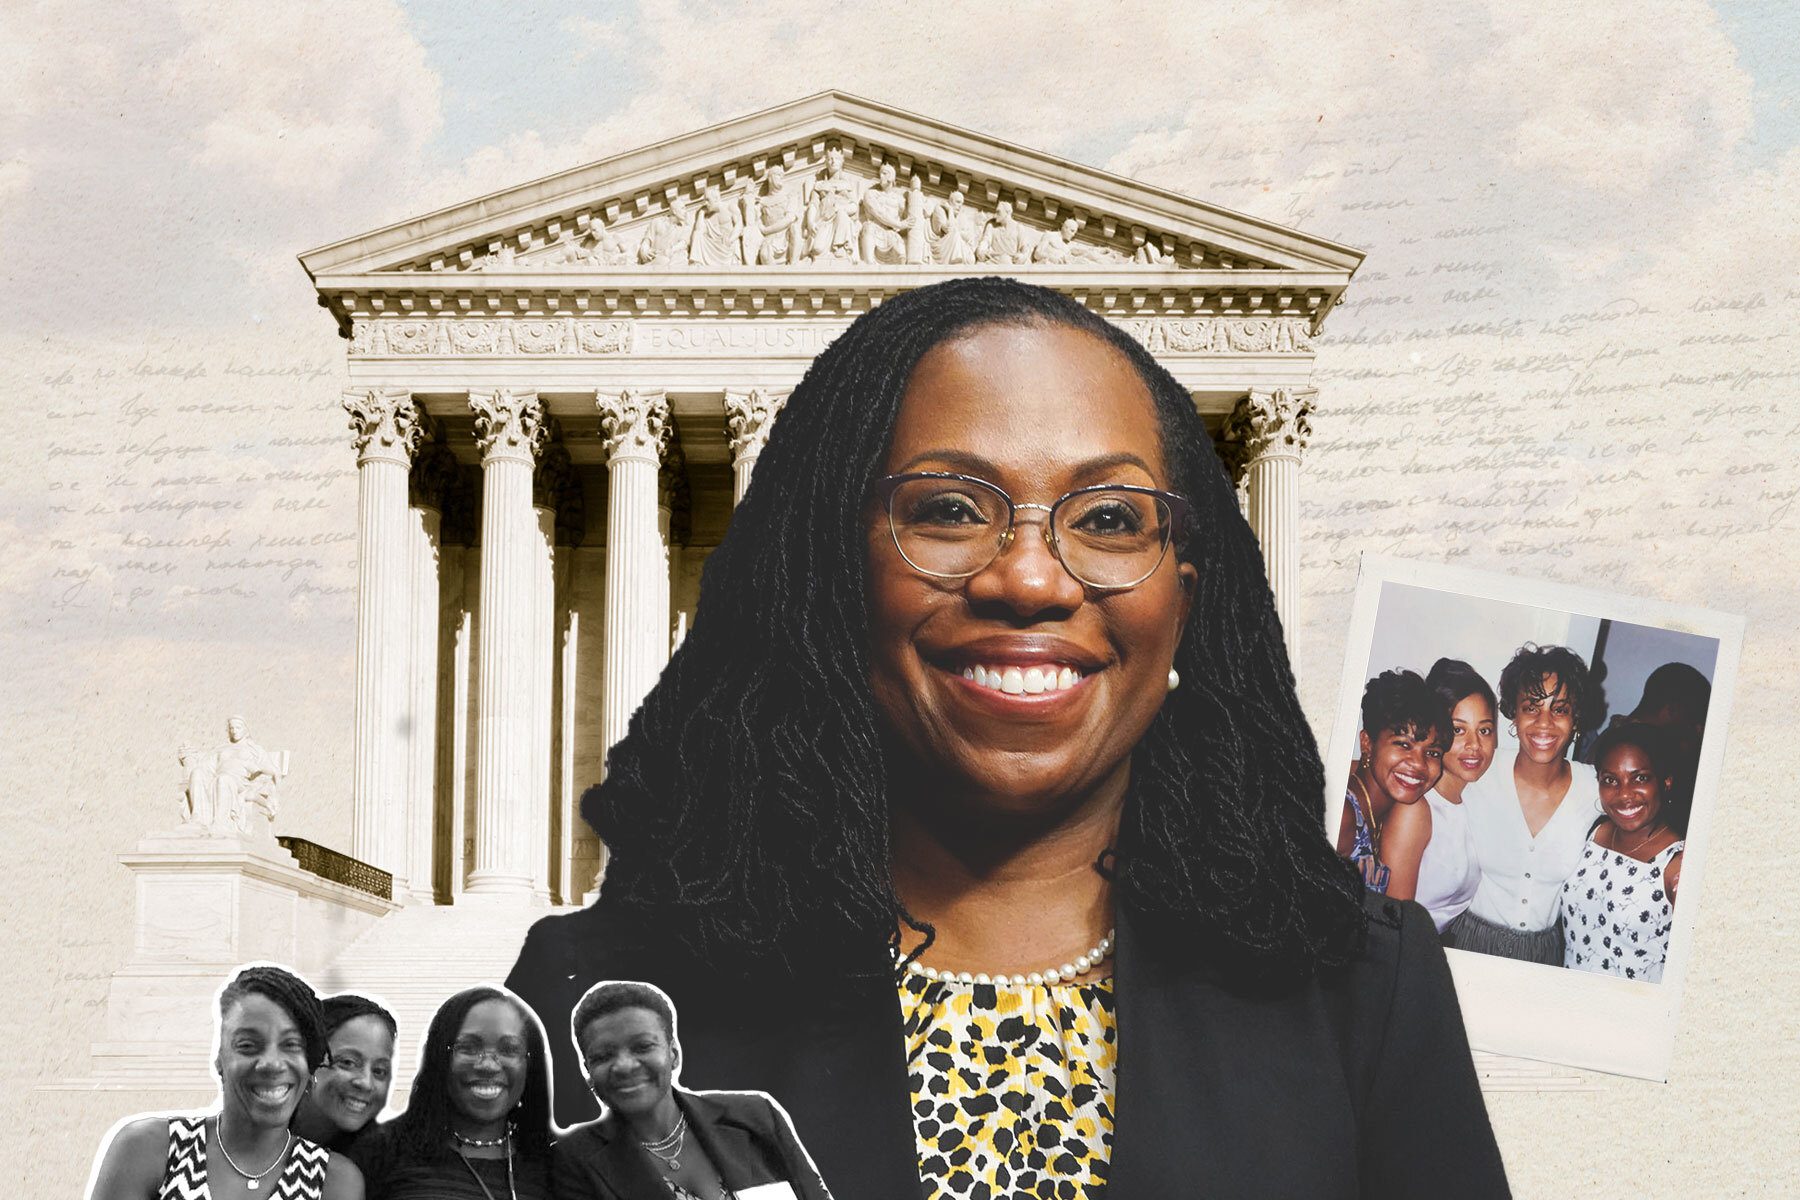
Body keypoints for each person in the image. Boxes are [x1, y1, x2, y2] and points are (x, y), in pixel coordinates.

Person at [507, 277, 1507, 1198]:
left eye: (1111, 518)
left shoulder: (1362, 992)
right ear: (826, 578)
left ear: (1185, 604)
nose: (1029, 581)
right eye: (947, 509)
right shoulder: (582, 999)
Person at [86, 964, 364, 1199]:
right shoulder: (148, 1149)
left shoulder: (333, 1181)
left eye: (291, 1045)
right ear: (219, 1059)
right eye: (247, 1044)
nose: (271, 1063)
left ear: (310, 1067)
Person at [554, 981, 831, 1199]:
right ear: (588, 1072)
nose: (624, 1065)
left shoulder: (755, 1116)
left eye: (642, 1047)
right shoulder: (573, 1160)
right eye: (603, 1056)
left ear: (674, 1053)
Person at [1447, 643, 1604, 964]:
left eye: (1559, 709)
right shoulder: (1480, 771)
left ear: (1576, 720)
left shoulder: (1596, 787)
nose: (1544, 722)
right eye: (1531, 707)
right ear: (1513, 715)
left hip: (1544, 954)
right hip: (1467, 943)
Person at [347, 986, 553, 1199]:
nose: (488, 1065)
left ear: (530, 1064)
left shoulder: (554, 1164)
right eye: (468, 1047)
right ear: (440, 1058)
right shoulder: (382, 1151)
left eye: (509, 1049)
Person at [1561, 723, 1686, 982]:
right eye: (1611, 780)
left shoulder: (1676, 865)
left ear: (1666, 781)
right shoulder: (1594, 834)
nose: (1625, 794)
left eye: (1640, 778)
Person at [1335, 670, 1448, 900]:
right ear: (1367, 742)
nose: (1418, 764)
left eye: (1432, 752)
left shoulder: (1381, 814)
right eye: (1403, 745)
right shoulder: (1343, 816)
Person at [1416, 659, 1496, 933]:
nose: (1475, 746)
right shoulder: (1418, 808)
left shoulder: (1477, 801)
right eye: (1459, 730)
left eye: (1484, 730)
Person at [292, 995, 398, 1153]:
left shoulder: (385, 1161)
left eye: (378, 1071)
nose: (365, 1083)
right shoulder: (251, 1130)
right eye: (348, 1063)